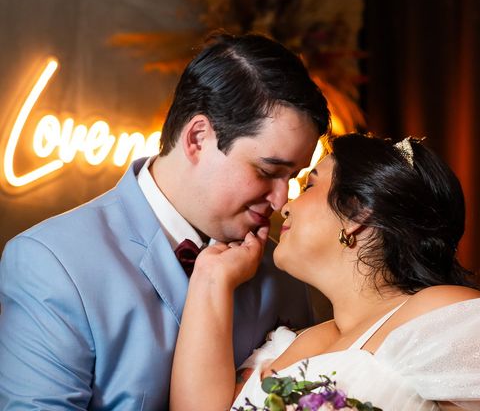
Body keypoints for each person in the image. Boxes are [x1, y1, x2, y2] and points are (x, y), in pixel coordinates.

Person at [0, 33, 330, 410]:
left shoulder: (282, 270)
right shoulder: (52, 263)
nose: (280, 198)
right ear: (197, 138)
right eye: (268, 170)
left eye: (294, 177)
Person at [171, 133, 480, 411]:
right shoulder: (301, 342)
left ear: (357, 212)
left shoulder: (447, 314)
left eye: (309, 185)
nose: (285, 205)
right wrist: (212, 279)